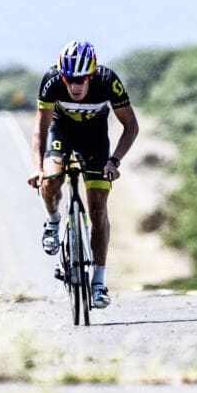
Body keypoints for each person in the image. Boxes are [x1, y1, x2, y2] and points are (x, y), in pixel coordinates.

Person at [26, 40, 139, 309]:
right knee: (52, 179)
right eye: (69, 79)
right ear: (61, 75)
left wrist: (114, 161)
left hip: (95, 137)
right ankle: (53, 221)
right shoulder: (51, 81)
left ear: (91, 75)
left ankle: (98, 283)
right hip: (61, 132)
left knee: (98, 209)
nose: (75, 86)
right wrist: (37, 168)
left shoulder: (108, 81)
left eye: (81, 79)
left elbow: (131, 126)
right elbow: (40, 130)